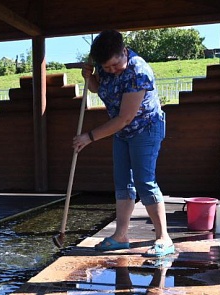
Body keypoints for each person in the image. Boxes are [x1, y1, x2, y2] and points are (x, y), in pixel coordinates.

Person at [72, 30, 173, 257]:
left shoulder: (138, 72)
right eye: (106, 67)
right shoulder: (105, 66)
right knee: (123, 183)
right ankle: (120, 236)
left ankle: (163, 238)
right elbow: (98, 88)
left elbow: (125, 118)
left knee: (144, 182)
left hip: (145, 128)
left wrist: (89, 137)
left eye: (115, 65)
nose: (111, 70)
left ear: (124, 52)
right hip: (121, 132)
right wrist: (90, 77)